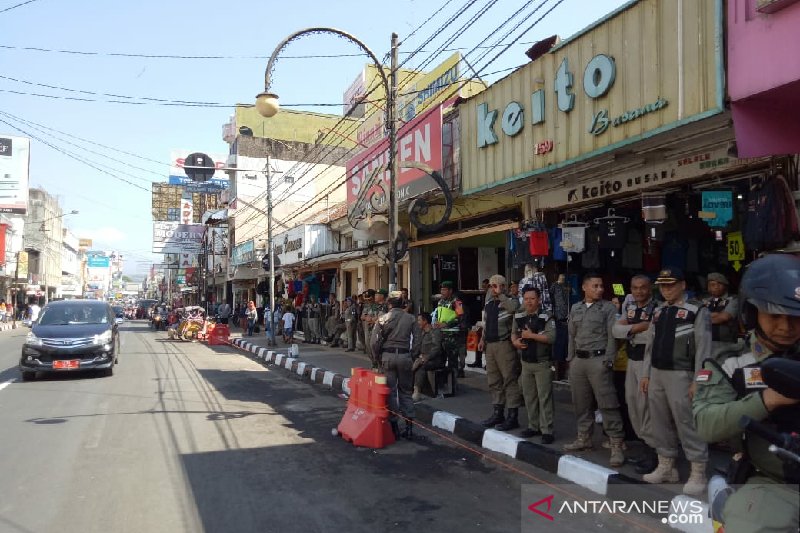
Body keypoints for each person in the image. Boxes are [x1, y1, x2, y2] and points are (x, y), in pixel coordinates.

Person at [693, 254, 800, 532]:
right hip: (773, 482)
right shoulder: (730, 363)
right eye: (775, 315)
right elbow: (705, 422)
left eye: (796, 317)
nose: (786, 327)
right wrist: (767, 400)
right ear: (751, 312)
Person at [640, 267, 711, 496]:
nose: (666, 289)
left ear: (682, 285)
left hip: (682, 374)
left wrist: (699, 379)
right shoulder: (659, 312)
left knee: (686, 421)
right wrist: (646, 374)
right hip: (658, 373)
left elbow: (704, 347)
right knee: (659, 420)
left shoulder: (696, 311)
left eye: (670, 285)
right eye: (662, 285)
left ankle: (698, 471)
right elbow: (649, 347)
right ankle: (666, 466)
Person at [564, 272, 626, 467]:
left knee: (607, 403)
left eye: (601, 286)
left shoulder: (607, 308)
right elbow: (571, 335)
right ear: (584, 287)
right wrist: (570, 358)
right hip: (579, 361)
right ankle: (584, 437)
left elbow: (612, 336)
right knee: (581, 403)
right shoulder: (576, 308)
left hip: (598, 359)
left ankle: (616, 443)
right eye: (595, 286)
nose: (600, 289)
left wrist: (608, 360)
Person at [612, 274, 658, 473]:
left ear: (650, 289)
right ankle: (645, 447)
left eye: (643, 287)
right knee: (632, 404)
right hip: (631, 360)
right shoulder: (629, 307)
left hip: (648, 362)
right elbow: (615, 330)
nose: (639, 291)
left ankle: (654, 452)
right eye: (635, 287)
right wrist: (639, 327)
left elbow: (652, 335)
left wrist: (628, 330)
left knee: (646, 406)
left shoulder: (657, 308)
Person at [477, 274, 522, 431]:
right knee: (494, 380)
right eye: (491, 285)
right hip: (490, 345)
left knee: (509, 380)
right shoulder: (489, 302)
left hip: (504, 345)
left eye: (496, 285)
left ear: (503, 286)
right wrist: (482, 339)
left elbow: (514, 309)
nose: (493, 288)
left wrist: (502, 295)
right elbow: (486, 322)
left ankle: (513, 416)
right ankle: (498, 412)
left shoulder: (511, 300)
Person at [512, 286, 556, 443]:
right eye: (526, 299)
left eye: (532, 298)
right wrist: (516, 342)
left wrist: (531, 335)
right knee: (529, 396)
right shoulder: (519, 315)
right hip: (526, 363)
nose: (529, 301)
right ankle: (533, 426)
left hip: (542, 363)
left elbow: (551, 338)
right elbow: (514, 333)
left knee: (544, 397)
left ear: (539, 300)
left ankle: (547, 430)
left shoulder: (546, 316)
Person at [371, 290, 417, 439]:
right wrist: (412, 355)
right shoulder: (411, 318)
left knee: (390, 392)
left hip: (388, 357)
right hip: (405, 356)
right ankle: (409, 427)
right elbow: (417, 341)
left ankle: (394, 427)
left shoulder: (382, 318)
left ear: (389, 304)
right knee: (406, 392)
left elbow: (373, 342)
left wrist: (377, 358)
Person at [702, 272, 740, 360]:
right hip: (706, 343)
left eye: (719, 284)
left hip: (726, 343)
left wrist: (704, 318)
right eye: (712, 284)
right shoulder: (705, 301)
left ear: (726, 286)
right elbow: (696, 317)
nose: (716, 287)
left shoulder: (733, 299)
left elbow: (724, 317)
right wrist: (716, 315)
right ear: (708, 287)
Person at [434, 280, 468, 378]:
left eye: (444, 290)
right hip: (441, 335)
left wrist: (446, 324)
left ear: (450, 291)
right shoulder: (440, 301)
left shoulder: (456, 302)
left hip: (453, 336)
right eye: (441, 289)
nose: (442, 292)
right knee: (440, 360)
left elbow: (461, 317)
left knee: (452, 363)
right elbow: (438, 315)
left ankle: (453, 384)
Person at [411, 312, 444, 402]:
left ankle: (417, 391)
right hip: (422, 358)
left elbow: (436, 348)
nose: (418, 322)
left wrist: (426, 357)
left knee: (421, 366)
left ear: (425, 321)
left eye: (419, 320)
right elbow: (417, 348)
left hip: (435, 360)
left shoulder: (434, 331)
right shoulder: (422, 333)